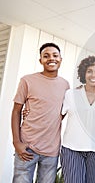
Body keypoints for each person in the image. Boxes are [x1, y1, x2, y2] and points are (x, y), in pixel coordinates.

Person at [11, 43, 70, 183]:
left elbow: (64, 110)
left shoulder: (65, 85)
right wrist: (16, 142)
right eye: (46, 56)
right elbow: (16, 111)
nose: (51, 58)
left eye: (55, 55)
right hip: (27, 147)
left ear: (60, 59)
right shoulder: (27, 80)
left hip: (51, 150)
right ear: (40, 60)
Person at [60, 55, 95, 183]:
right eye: (89, 71)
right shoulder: (70, 94)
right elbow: (56, 117)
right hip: (72, 150)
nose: (93, 75)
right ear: (83, 73)